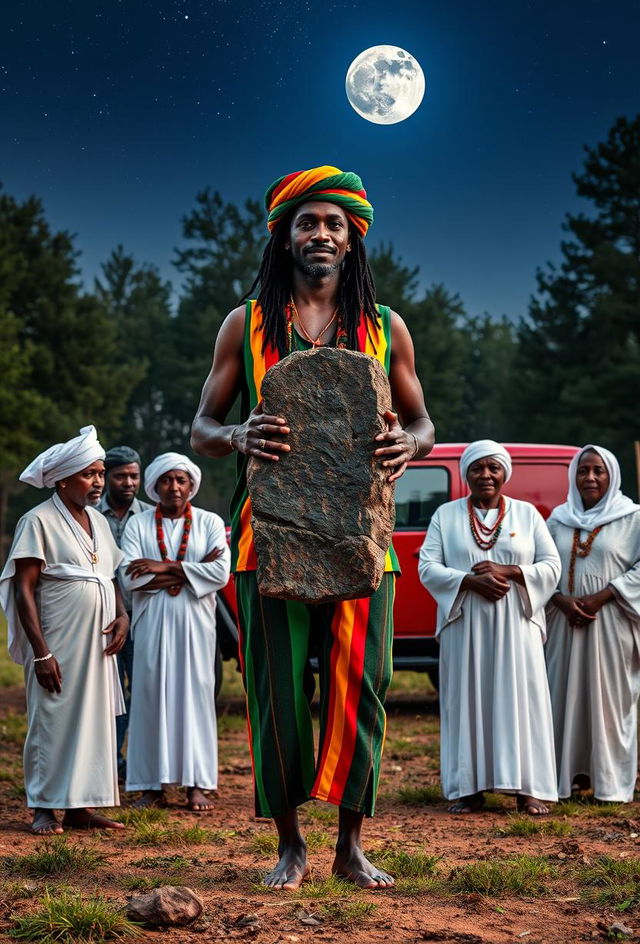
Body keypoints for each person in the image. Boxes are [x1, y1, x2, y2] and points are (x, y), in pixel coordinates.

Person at [191, 165, 434, 889]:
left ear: (353, 238)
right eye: (307, 222)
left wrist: (410, 444)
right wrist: (237, 437)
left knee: (365, 684)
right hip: (267, 540)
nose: (320, 233)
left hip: (364, 542)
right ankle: (291, 844)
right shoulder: (248, 322)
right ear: (284, 237)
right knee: (276, 691)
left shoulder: (386, 327)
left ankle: (349, 845)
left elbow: (422, 421)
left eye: (333, 223)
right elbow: (202, 424)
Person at [418, 440, 561, 815]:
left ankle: (528, 789)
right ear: (466, 473)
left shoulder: (527, 514)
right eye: (478, 468)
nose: (486, 475)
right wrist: (468, 581)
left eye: (493, 468)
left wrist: (510, 571)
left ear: (505, 473)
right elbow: (427, 567)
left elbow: (551, 566)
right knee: (466, 701)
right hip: (464, 625)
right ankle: (468, 788)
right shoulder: (445, 516)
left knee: (523, 702)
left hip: (517, 626)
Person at [0, 426, 129, 835]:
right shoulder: (36, 519)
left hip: (99, 641)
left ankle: (80, 809)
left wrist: (122, 615)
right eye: (89, 474)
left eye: (100, 473)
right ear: (63, 479)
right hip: (57, 637)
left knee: (94, 719)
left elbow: (108, 576)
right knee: (52, 716)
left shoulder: (100, 523)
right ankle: (44, 806)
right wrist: (41, 652)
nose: (98, 482)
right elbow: (23, 587)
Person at [119, 452, 230, 812]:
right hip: (151, 624)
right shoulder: (138, 525)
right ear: (154, 486)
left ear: (192, 485)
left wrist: (162, 566)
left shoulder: (209, 522)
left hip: (196, 625)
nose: (174, 487)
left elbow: (221, 574)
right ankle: (151, 786)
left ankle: (196, 784)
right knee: (149, 697)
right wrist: (193, 569)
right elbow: (129, 576)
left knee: (195, 698)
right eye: (167, 480)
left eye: (181, 480)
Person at [545, 445, 640, 803]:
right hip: (564, 626)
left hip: (611, 623)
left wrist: (604, 595)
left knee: (611, 703)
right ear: (573, 475)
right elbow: (544, 566)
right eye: (583, 470)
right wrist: (560, 600)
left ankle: (611, 785)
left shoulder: (633, 518)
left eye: (598, 471)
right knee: (563, 699)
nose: (590, 478)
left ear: (611, 475)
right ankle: (567, 778)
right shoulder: (558, 518)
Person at [98, 445, 152, 780]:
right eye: (120, 476)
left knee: (143, 691)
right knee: (110, 692)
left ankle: (141, 764)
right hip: (104, 622)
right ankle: (110, 761)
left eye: (134, 475)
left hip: (145, 618)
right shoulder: (89, 513)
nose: (128, 482)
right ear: (106, 478)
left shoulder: (150, 514)